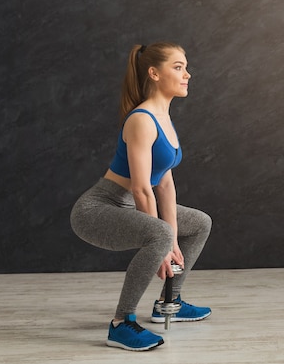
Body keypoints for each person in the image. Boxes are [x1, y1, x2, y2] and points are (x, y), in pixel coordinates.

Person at [70, 42, 212, 351]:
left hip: (130, 204)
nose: (187, 74)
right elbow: (141, 188)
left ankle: (169, 301)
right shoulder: (141, 120)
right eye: (178, 67)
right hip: (98, 209)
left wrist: (173, 238)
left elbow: (164, 184)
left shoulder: (164, 118)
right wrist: (163, 243)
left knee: (199, 222)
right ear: (154, 73)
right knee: (159, 232)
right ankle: (121, 324)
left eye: (186, 67)